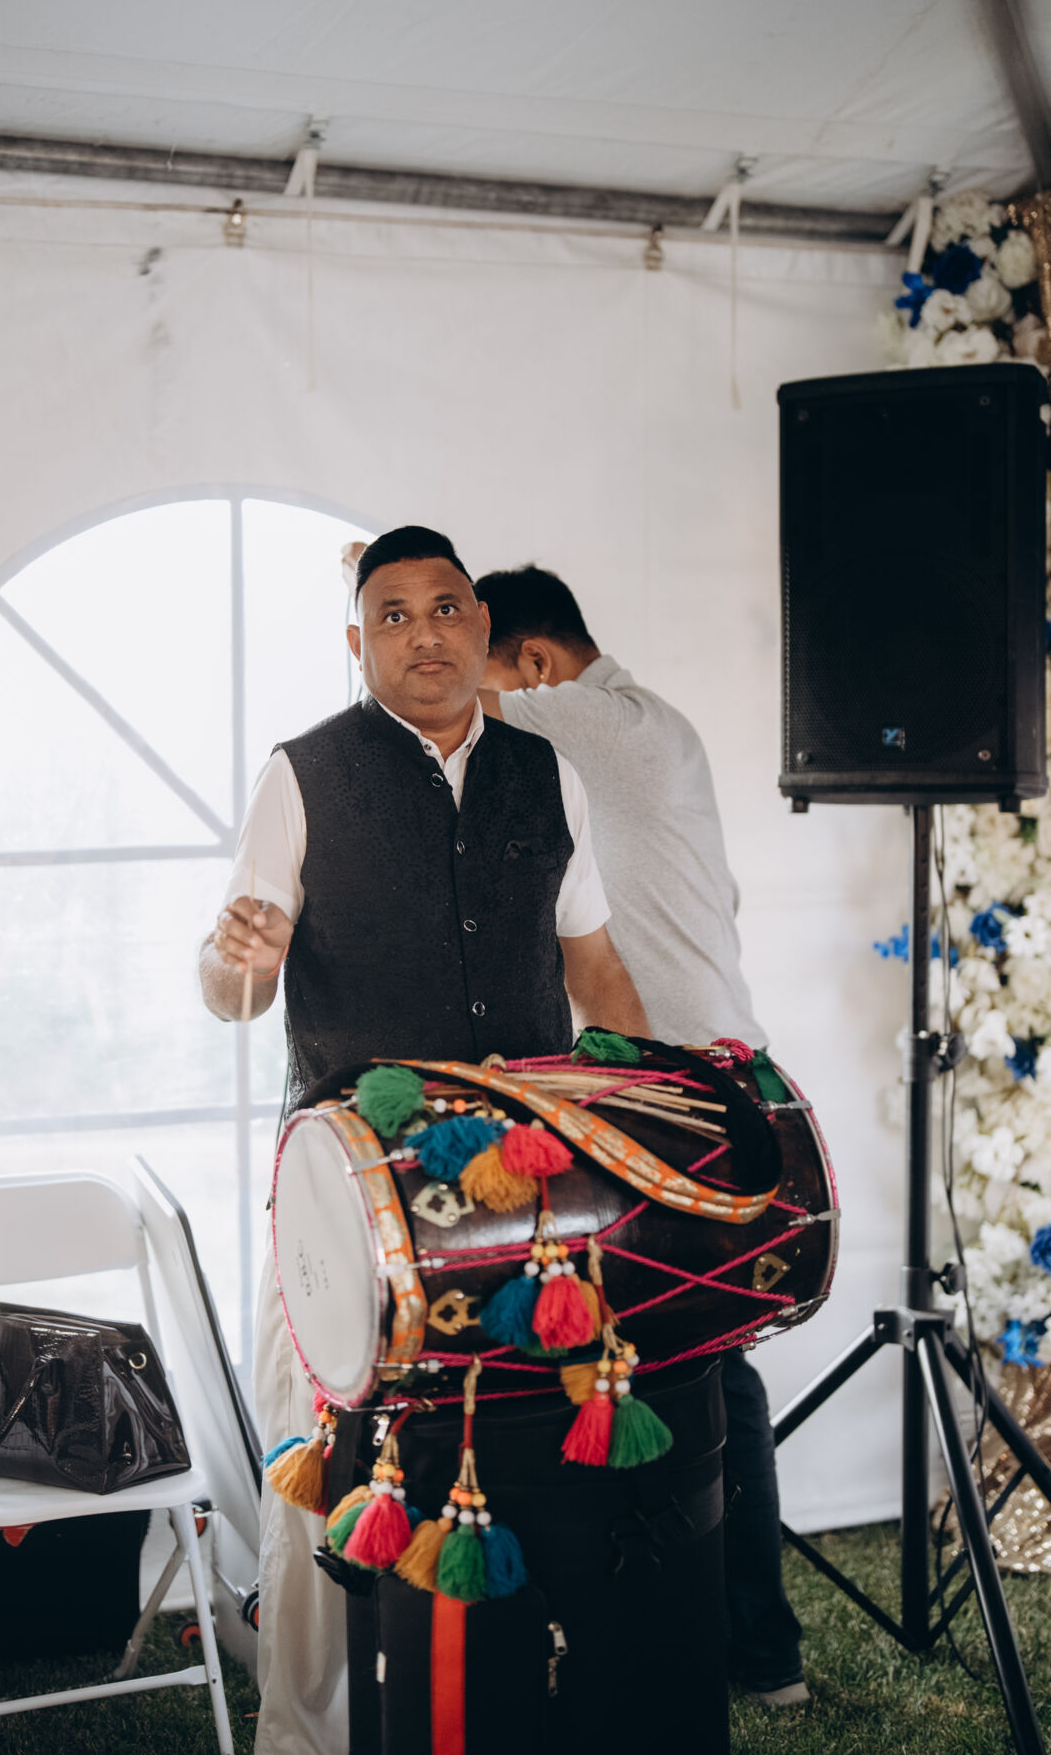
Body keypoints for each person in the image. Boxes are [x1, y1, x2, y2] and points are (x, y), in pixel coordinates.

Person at [200, 526, 651, 1755]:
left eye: (444, 607)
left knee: (500, 1460)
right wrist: (237, 960)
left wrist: (642, 1113)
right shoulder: (301, 775)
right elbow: (229, 987)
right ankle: (303, 1737)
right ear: (356, 643)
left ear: (480, 627)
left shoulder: (545, 773)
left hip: (519, 1192)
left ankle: (490, 1703)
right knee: (326, 1476)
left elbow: (594, 964)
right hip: (346, 1202)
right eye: (390, 615)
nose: (422, 634)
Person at [471, 559, 808, 1710]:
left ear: (532, 662)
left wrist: (373, 608)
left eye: (480, 656)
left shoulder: (597, 722)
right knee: (688, 1367)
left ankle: (753, 1651)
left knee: (704, 1376)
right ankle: (717, 1640)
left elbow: (437, 703)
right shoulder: (652, 730)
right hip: (703, 1077)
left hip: (685, 1092)